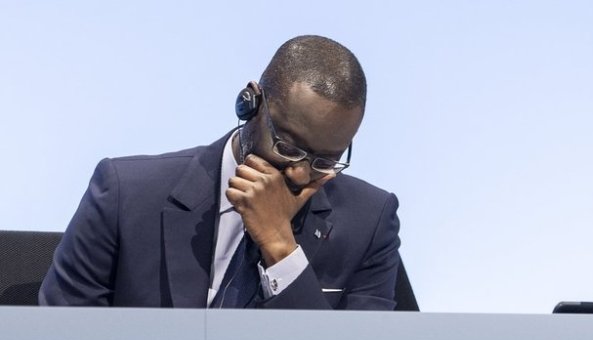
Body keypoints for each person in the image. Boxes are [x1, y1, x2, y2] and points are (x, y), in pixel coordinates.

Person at [40, 35, 400, 309]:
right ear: (250, 105)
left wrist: (281, 250)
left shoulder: (370, 222)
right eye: (288, 148)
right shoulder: (125, 193)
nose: (300, 174)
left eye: (325, 161)